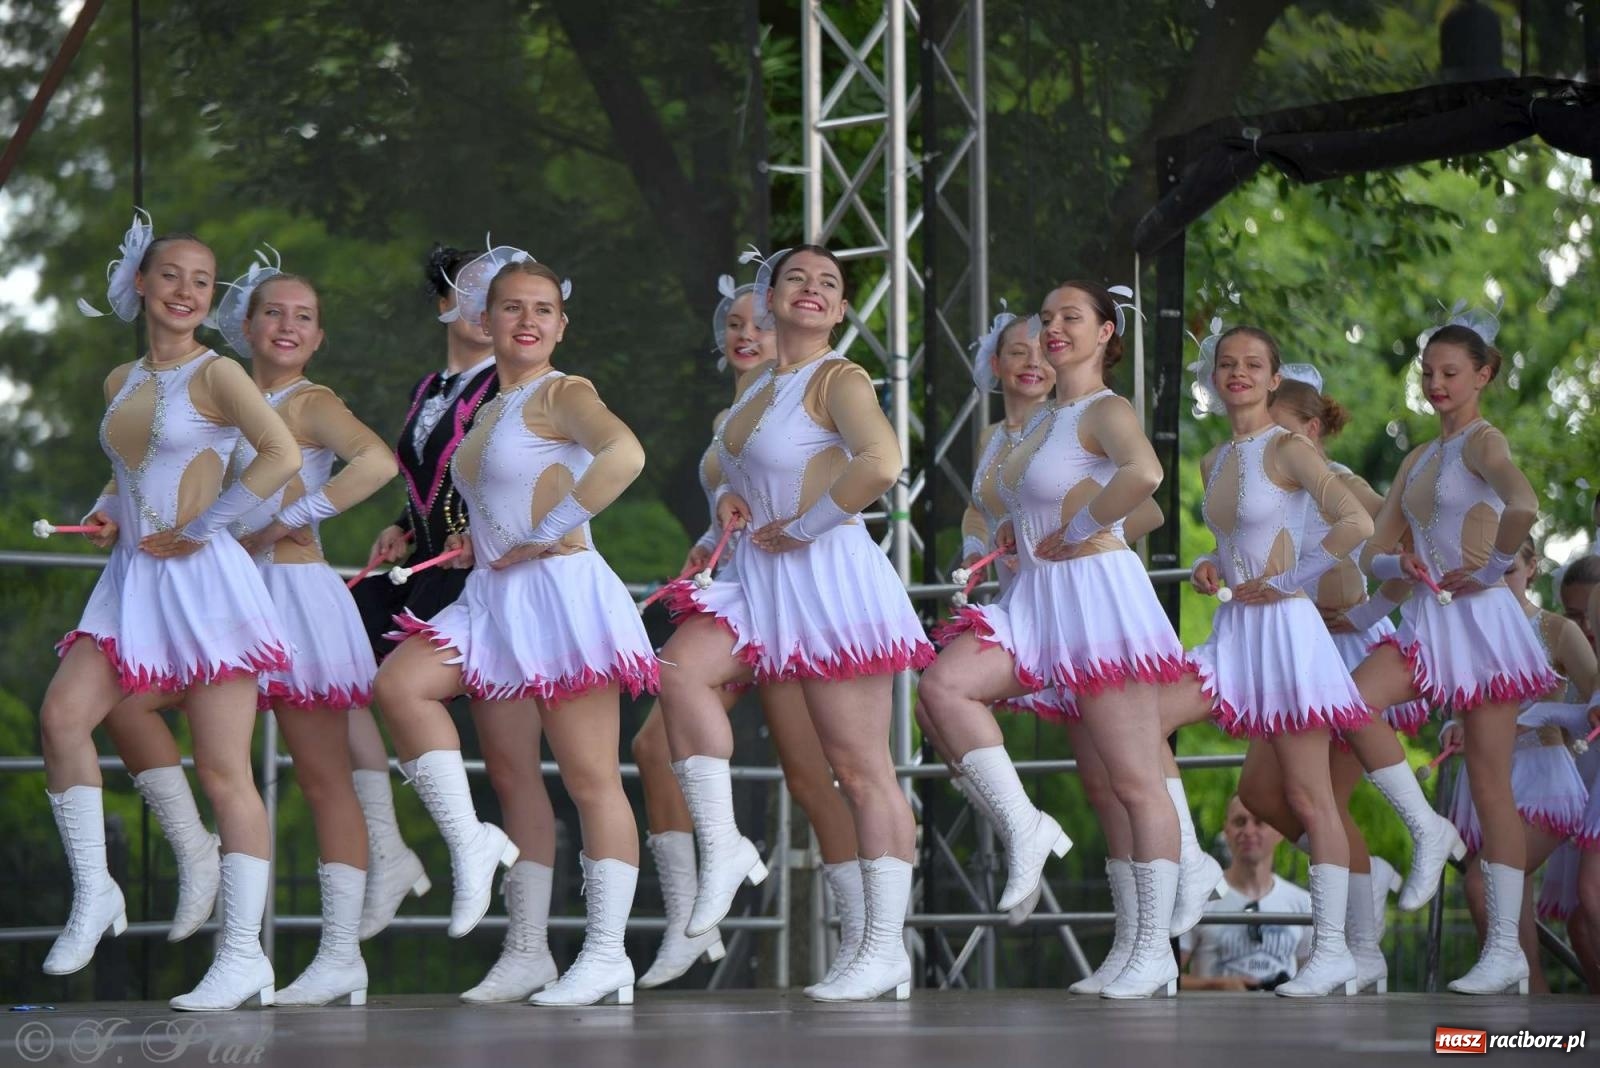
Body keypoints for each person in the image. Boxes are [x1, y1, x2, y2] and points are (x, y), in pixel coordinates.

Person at [374, 249, 653, 1007]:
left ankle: (606, 955)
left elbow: (624, 453)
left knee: (591, 779)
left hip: (558, 598)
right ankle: (523, 942)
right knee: (410, 694)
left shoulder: (564, 391)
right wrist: (479, 538)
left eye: (543, 309)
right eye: (512, 307)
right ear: (486, 320)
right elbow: (505, 491)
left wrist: (549, 528)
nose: (527, 320)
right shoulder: (490, 408)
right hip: (493, 600)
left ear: (561, 325)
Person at [659, 245, 934, 1003]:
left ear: (840, 311)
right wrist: (728, 505)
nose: (812, 289)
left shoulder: (838, 377)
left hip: (829, 581)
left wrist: (808, 523)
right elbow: (739, 476)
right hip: (762, 583)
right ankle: (724, 844)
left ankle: (884, 948)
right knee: (679, 669)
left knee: (860, 769)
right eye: (796, 279)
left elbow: (882, 461)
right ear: (770, 297)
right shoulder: (759, 390)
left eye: (828, 284)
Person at [43, 216, 301, 1010]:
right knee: (62, 719)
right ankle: (97, 891)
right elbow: (130, 469)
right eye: (172, 275)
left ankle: (243, 955)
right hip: (131, 584)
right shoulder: (120, 380)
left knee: (225, 771)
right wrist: (105, 511)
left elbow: (282, 455)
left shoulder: (219, 374)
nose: (187, 291)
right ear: (141, 284)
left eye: (202, 280)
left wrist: (206, 525)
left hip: (206, 584)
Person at [919, 281, 1190, 1000]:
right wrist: (1013, 534)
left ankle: (1151, 950)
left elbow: (1146, 475)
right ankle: (1026, 828)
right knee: (945, 686)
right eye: (1046, 319)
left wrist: (1083, 525)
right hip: (1035, 602)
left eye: (1071, 317)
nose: (1054, 328)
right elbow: (1009, 503)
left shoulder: (1106, 408)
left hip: (1095, 599)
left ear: (1106, 333)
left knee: (1131, 780)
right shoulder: (1041, 423)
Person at [630, 265, 861, 990]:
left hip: (795, 597)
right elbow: (736, 499)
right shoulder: (732, 416)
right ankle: (689, 920)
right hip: (738, 589)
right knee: (652, 744)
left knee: (811, 776)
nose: (746, 334)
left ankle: (865, 937)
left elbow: (850, 472)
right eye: (733, 324)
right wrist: (709, 540)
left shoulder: (809, 393)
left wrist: (797, 525)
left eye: (759, 322)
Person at [1352, 307, 1554, 995]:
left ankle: (1505, 950)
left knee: (1490, 783)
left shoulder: (1483, 440)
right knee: (1351, 701)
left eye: (1450, 373)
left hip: (1483, 626)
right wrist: (1398, 567)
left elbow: (1524, 504)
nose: (1436, 384)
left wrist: (1494, 568)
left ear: (1483, 375)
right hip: (1427, 622)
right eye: (1428, 372)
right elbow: (1374, 550)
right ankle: (1427, 829)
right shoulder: (1418, 457)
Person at [216, 265, 399, 1005]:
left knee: (322, 774)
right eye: (274, 313)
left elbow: (378, 461)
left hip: (292, 594)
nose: (288, 326)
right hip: (225, 594)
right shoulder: (222, 396)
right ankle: (200, 863)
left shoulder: (310, 401)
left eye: (304, 316)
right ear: (246, 326)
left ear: (318, 337)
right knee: (142, 709)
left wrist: (295, 518)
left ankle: (340, 953)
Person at [1183, 326, 1373, 997]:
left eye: (1252, 364)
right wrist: (1210, 564)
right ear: (1214, 377)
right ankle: (1188, 866)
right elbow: (1235, 542)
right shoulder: (1213, 460)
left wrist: (1292, 579)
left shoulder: (1289, 446)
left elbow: (1356, 522)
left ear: (1272, 378)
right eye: (1226, 364)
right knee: (1151, 718)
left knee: (1310, 798)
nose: (1237, 372)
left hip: (1288, 633)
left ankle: (1334, 950)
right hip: (1236, 631)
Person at [346, 245, 501, 948]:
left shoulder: (509, 383)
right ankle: (387, 847)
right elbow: (431, 479)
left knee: (521, 764)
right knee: (327, 670)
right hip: (426, 565)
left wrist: (485, 532)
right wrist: (403, 525)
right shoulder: (429, 386)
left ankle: (466, 844)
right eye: (469, 294)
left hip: (478, 576)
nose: (485, 311)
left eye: (497, 298)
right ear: (443, 303)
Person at [1179, 795, 1312, 990]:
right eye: (1240, 822)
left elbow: (1313, 981)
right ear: (1226, 830)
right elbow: (1168, 979)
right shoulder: (1200, 897)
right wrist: (1215, 985)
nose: (1249, 831)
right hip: (1215, 1009)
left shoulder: (1302, 902)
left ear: (1279, 831)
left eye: (1260, 822)